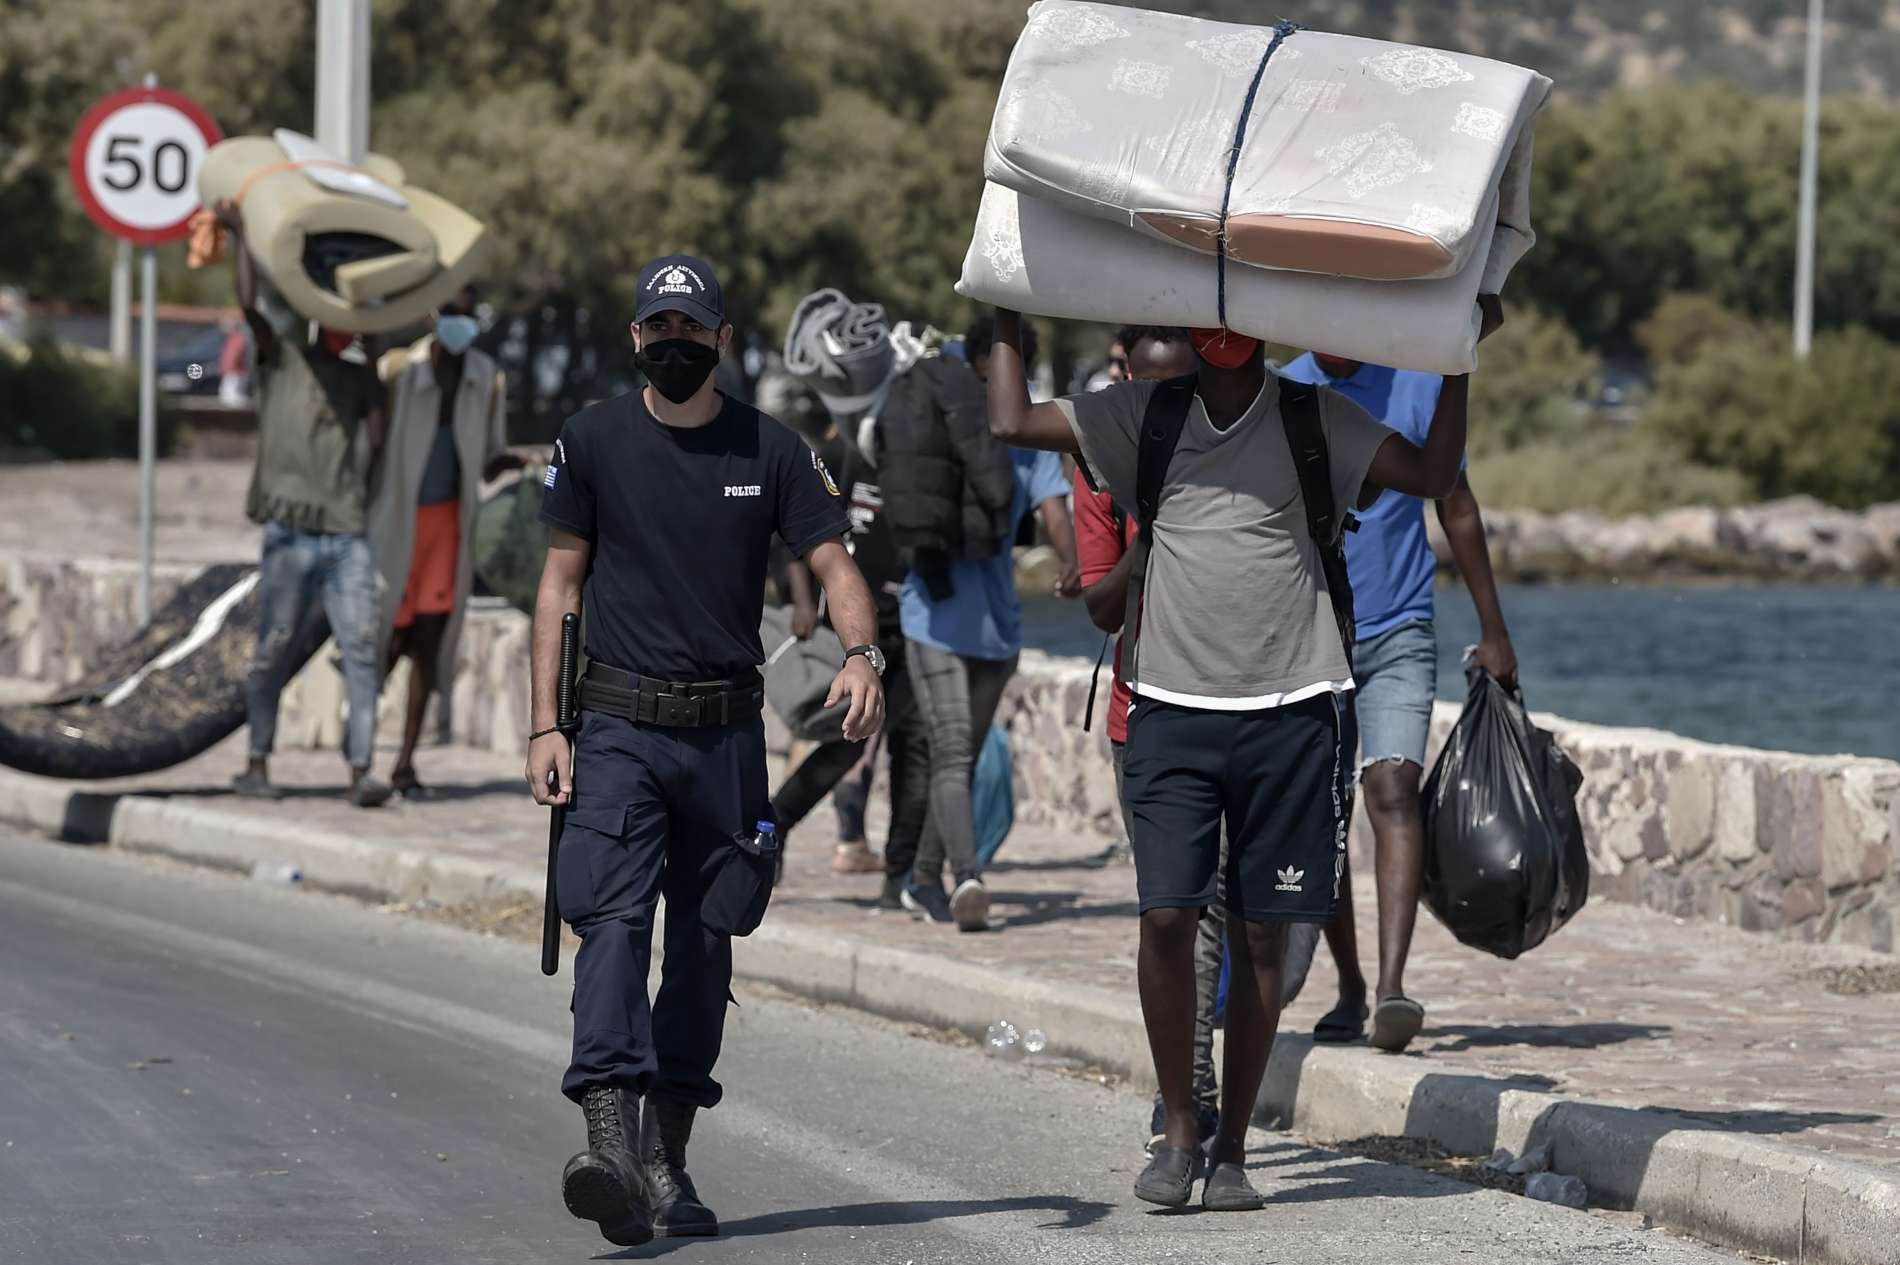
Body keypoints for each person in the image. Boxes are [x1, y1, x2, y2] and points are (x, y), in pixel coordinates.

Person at [987, 297, 1502, 1212]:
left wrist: (1455, 353)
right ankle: (1180, 1124)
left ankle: (1232, 1149)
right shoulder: (1143, 412)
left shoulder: (1316, 417)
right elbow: (1013, 418)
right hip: (1171, 716)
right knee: (1167, 918)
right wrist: (1007, 301)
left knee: (1265, 932)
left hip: (1293, 714)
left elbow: (1429, 473)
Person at [526, 254, 885, 1248]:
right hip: (618, 729)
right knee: (610, 920)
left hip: (725, 736)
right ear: (634, 335)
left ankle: (662, 1155)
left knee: (706, 937)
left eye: (691, 332)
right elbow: (559, 585)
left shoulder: (772, 447)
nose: (673, 347)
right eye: (657, 331)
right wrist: (546, 726)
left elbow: (833, 562)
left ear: (723, 339)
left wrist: (862, 653)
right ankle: (606, 1133)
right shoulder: (591, 439)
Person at [1278, 350, 1518, 1053]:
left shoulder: (1414, 379)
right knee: (1325, 810)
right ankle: (1350, 984)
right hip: (1313, 632)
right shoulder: (1286, 390)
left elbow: (1457, 503)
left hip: (1401, 627)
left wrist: (1494, 628)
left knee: (1392, 786)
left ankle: (1391, 989)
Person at [1071, 326, 1224, 1153]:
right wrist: (1155, 527)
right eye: (1147, 386)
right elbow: (1100, 606)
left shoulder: (1242, 447)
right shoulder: (1099, 469)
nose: (1167, 404)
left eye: (1184, 385)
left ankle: (1199, 1084)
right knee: (1182, 915)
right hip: (1149, 718)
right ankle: (1186, 1103)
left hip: (1252, 713)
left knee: (1248, 919)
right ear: (1124, 378)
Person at [889, 318, 1079, 931]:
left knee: (960, 760)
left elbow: (1055, 509)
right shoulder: (953, 415)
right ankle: (967, 877)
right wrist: (1071, 560)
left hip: (996, 629)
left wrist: (1076, 565)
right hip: (934, 619)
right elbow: (1053, 513)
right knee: (951, 750)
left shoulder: (1023, 432)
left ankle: (923, 878)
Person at [216, 198, 391, 808]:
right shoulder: (280, 359)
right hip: (289, 532)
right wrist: (242, 237)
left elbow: (378, 438)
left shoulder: (360, 379)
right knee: (273, 647)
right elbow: (249, 305)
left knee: (362, 652)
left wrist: (371, 342)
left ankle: (363, 769)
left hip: (346, 535)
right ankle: (257, 761)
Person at [368, 287, 522, 796]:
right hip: (396, 527)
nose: (460, 324)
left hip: (450, 527)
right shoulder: (397, 372)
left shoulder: (485, 379)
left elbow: (487, 458)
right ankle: (360, 754)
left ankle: (406, 763)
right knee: (387, 642)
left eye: (467, 314)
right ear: (434, 316)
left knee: (430, 647)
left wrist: (523, 461)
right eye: (451, 314)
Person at [216, 316, 251, 407]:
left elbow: (235, 355)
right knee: (227, 395)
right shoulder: (232, 339)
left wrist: (232, 366)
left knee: (232, 396)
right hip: (232, 371)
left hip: (235, 371)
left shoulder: (237, 339)